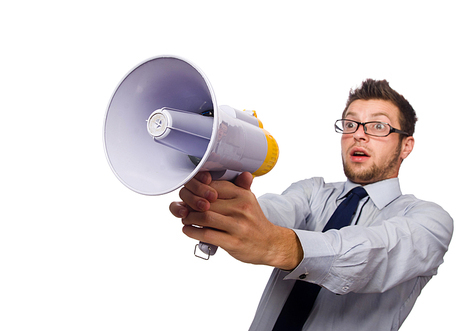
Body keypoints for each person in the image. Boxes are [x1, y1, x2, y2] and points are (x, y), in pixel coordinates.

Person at [169, 79, 453, 330]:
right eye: (351, 123)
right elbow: (271, 213)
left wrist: (277, 245)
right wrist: (225, 201)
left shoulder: (428, 221)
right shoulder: (312, 191)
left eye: (378, 126)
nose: (359, 134)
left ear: (406, 146)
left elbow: (376, 252)